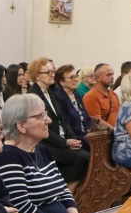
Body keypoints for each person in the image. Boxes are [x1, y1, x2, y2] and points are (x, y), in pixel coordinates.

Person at [0, 94, 79, 213]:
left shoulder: (42, 150)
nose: (48, 120)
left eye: (46, 114)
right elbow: (21, 205)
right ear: (21, 125)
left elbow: (63, 190)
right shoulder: (7, 156)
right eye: (41, 116)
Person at [27, 57, 89, 186]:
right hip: (45, 143)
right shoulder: (33, 96)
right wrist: (65, 142)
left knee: (87, 153)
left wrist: (72, 138)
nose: (52, 75)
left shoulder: (51, 92)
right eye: (48, 72)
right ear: (37, 76)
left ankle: (73, 193)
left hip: (59, 140)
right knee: (82, 157)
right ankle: (67, 192)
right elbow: (41, 127)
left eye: (52, 71)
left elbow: (63, 120)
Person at [53, 64, 94, 142]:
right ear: (62, 82)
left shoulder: (76, 94)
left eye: (76, 76)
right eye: (71, 77)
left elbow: (86, 116)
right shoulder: (59, 98)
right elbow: (67, 124)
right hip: (74, 137)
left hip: (86, 134)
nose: (76, 80)